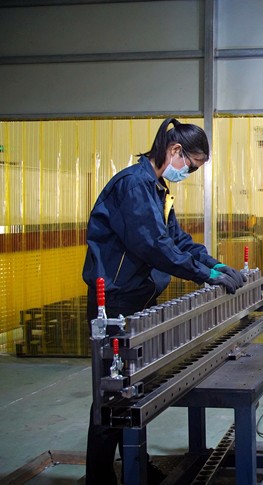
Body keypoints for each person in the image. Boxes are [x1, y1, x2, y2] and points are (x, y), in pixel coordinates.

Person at [82, 117, 244, 484]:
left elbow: (177, 241)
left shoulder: (157, 189)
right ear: (175, 151)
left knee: (133, 390)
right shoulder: (133, 186)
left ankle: (135, 465)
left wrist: (213, 263)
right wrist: (204, 275)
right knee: (111, 393)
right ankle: (100, 477)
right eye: (191, 165)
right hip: (115, 304)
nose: (189, 172)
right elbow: (154, 247)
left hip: (138, 299)